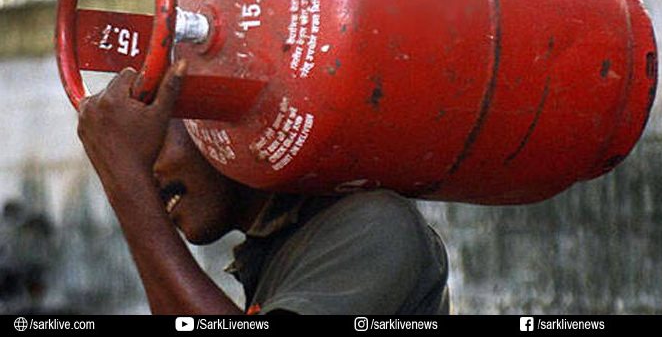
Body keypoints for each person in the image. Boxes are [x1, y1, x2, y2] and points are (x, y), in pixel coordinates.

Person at [76, 61, 450, 315]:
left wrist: (128, 186)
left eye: (150, 143)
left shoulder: (373, 225)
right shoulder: (276, 249)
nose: (145, 171)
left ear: (216, 118)